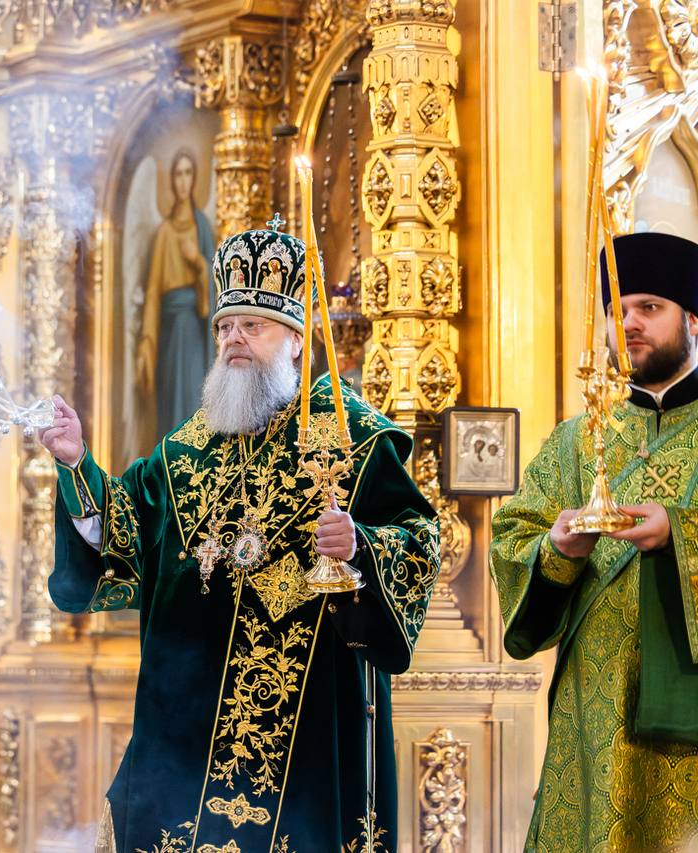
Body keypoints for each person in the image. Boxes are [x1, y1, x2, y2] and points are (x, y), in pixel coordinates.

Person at [40, 224, 441, 852]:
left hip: (305, 730)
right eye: (225, 326)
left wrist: (359, 545)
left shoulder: (355, 437)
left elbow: (418, 538)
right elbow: (126, 534)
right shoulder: (187, 449)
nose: (233, 339)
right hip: (186, 731)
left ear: (295, 339)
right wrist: (75, 463)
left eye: (252, 325)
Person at [491, 232, 698, 851]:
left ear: (692, 320)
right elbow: (515, 536)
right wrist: (558, 552)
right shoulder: (577, 439)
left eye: (649, 308)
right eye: (618, 310)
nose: (629, 324)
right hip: (595, 710)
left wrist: (680, 532)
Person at [134, 149, 217, 454]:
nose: (183, 181)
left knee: (195, 399)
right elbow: (153, 293)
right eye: (178, 174)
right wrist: (147, 342)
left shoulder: (202, 228)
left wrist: (197, 262)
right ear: (171, 181)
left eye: (188, 174)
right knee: (171, 408)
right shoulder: (165, 234)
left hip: (195, 334)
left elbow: (216, 285)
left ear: (195, 179)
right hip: (170, 338)